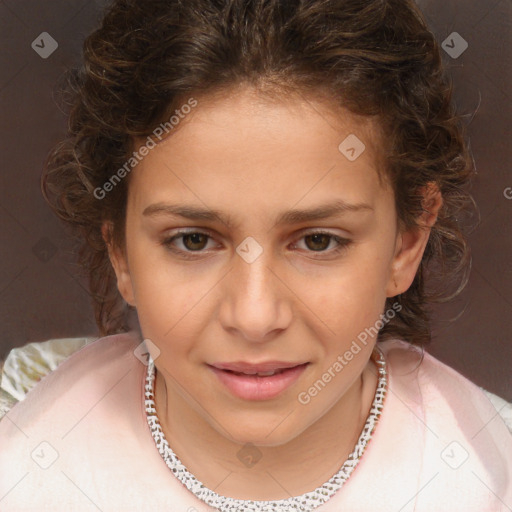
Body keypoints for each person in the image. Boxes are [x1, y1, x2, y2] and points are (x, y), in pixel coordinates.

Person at [0, 0, 511, 510]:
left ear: (406, 242)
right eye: (193, 240)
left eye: (318, 241)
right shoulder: (24, 456)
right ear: (120, 252)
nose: (254, 317)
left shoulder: (490, 473)